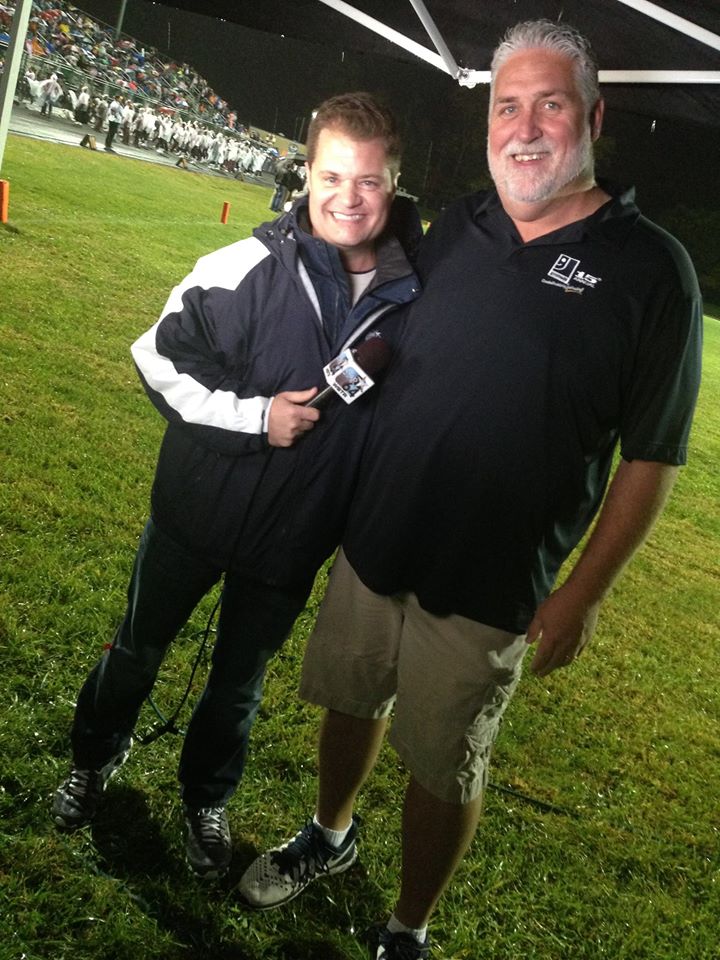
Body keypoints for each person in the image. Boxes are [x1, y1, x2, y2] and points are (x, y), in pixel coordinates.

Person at [239, 20, 703, 960]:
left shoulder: (654, 271)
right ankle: (328, 835)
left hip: (491, 583)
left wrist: (582, 594)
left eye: (549, 104)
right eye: (506, 106)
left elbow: (651, 455)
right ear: (488, 120)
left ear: (593, 117)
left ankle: (407, 927)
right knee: (351, 699)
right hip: (377, 540)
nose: (524, 127)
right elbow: (372, 301)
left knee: (444, 763)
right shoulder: (459, 225)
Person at [51, 92, 421, 879]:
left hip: (292, 539)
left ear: (395, 184)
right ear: (305, 174)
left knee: (238, 685)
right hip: (193, 512)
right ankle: (92, 759)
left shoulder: (414, 300)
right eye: (331, 176)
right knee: (138, 647)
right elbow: (157, 355)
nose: (347, 198)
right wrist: (257, 417)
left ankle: (204, 800)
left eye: (368, 182)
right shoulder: (246, 265)